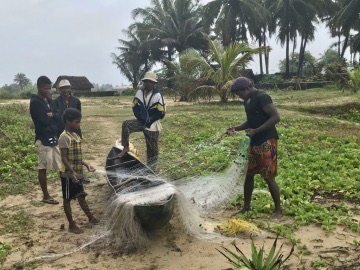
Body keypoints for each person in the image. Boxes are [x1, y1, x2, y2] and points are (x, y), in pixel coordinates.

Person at [226, 76, 282, 218]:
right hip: (255, 141)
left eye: (241, 93)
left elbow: (276, 117)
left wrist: (256, 131)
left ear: (248, 88)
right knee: (249, 174)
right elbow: (251, 120)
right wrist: (236, 128)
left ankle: (278, 210)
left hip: (267, 141)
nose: (240, 97)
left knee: (268, 176)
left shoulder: (262, 97)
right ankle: (246, 207)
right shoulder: (248, 101)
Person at [58, 108, 98, 234]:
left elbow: (76, 157)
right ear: (67, 121)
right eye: (77, 122)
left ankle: (90, 217)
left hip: (77, 173)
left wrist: (86, 164)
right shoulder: (64, 138)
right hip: (69, 175)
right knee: (67, 199)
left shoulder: (75, 136)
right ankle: (71, 224)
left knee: (81, 196)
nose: (79, 124)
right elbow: (64, 158)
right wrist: (72, 172)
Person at [118, 71, 166, 171]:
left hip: (152, 124)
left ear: (154, 83)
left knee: (152, 149)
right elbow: (135, 107)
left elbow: (161, 113)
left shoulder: (157, 96)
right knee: (126, 125)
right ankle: (126, 147)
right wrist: (141, 118)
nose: (148, 83)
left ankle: (151, 169)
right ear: (144, 82)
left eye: (151, 82)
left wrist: (150, 119)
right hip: (141, 121)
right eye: (147, 81)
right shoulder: (139, 93)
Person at [30, 76, 61, 205]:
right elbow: (43, 121)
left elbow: (58, 115)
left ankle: (67, 188)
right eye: (45, 88)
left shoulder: (48, 99)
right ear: (38, 87)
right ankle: (45, 195)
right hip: (42, 139)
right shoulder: (35, 102)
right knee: (42, 167)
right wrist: (52, 118)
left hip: (52, 136)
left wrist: (52, 115)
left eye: (49, 88)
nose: (48, 91)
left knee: (60, 163)